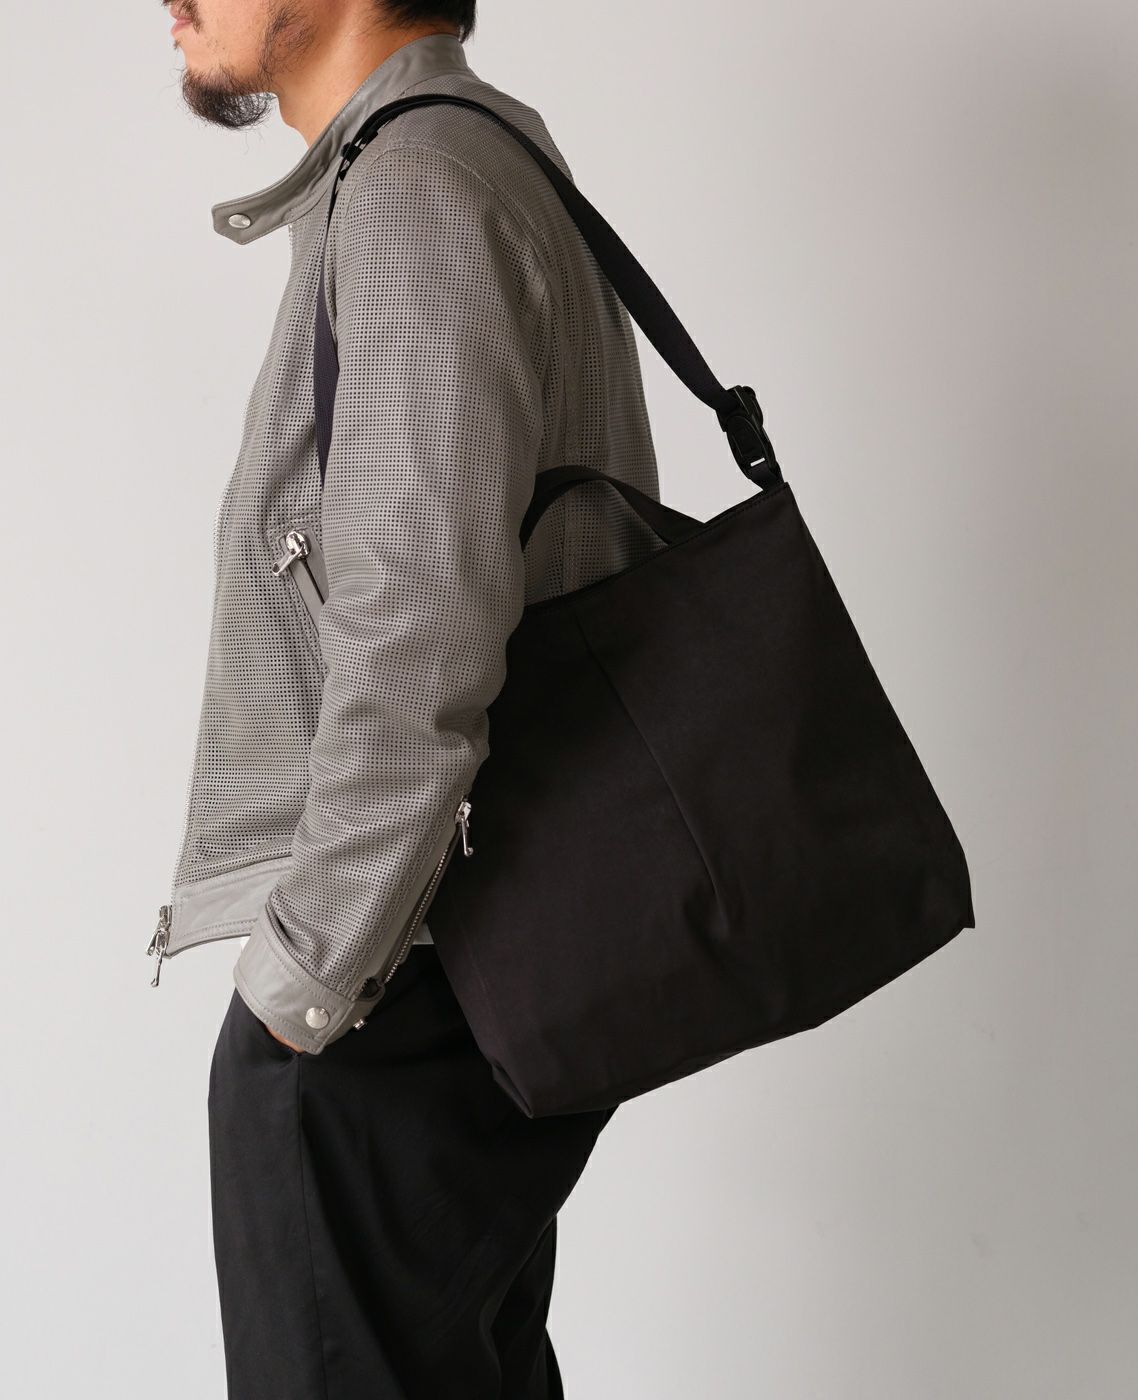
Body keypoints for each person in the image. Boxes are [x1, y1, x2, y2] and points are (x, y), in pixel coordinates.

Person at [152, 2, 663, 1395]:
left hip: (392, 986)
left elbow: (420, 632)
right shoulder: (472, 157)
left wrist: (302, 987)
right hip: (465, 958)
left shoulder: (421, 185)